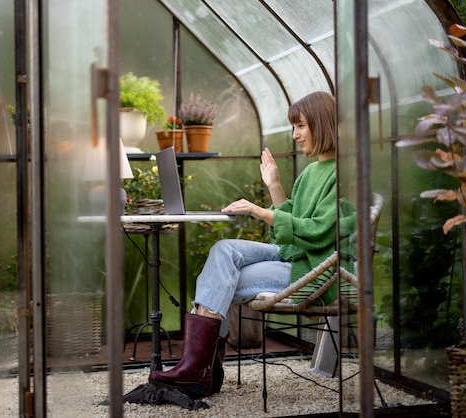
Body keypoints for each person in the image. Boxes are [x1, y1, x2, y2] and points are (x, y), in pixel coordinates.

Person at [148, 91, 357, 398]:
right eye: (294, 127)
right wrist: (274, 184)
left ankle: (199, 370)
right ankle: (199, 369)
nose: (295, 135)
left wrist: (258, 210)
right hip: (294, 254)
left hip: (314, 268)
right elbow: (292, 218)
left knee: (218, 281)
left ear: (322, 123)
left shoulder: (343, 172)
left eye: (300, 126)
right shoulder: (311, 171)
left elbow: (320, 232)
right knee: (223, 250)